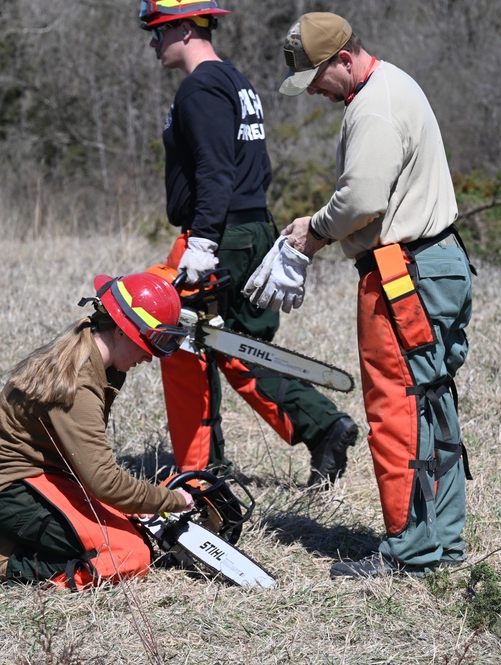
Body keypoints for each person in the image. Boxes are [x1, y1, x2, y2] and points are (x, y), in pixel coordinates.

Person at [247, 12, 475, 578]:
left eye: (317, 79)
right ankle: (440, 541)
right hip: (434, 263)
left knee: (398, 406)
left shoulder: (372, 106)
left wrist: (313, 231)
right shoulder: (393, 85)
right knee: (429, 399)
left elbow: (363, 199)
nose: (316, 92)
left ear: (343, 59)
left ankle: (412, 551)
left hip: (404, 273)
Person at [139, 0, 358, 487]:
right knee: (236, 345)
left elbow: (216, 171)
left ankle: (203, 473)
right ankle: (316, 427)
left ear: (184, 27)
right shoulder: (233, 82)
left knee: (193, 345)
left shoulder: (201, 89)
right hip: (247, 224)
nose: (153, 43)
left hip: (223, 232)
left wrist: (202, 245)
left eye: (157, 31)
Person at [0, 271, 195, 591]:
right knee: (129, 555)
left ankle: (15, 541)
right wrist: (171, 500)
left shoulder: (89, 344)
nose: (149, 357)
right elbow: (104, 482)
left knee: (133, 528)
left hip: (36, 476)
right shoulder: (79, 379)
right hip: (6, 488)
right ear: (121, 330)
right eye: (147, 343)